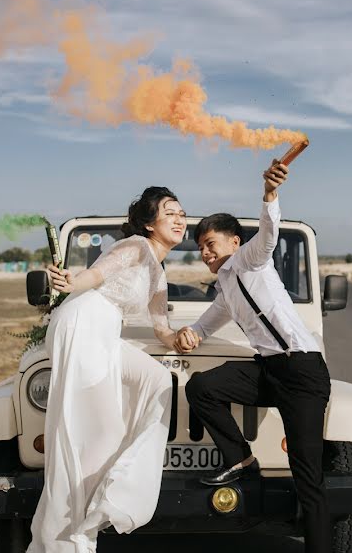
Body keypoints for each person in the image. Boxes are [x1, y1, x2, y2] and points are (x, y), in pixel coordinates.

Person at [177, 159, 333, 553]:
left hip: (302, 371)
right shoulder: (227, 287)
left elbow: (268, 234)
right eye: (200, 249)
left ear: (233, 242)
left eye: (210, 244)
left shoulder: (251, 259)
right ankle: (241, 459)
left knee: (307, 476)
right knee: (202, 387)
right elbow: (206, 323)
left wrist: (269, 194)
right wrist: (188, 334)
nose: (205, 254)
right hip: (269, 372)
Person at [28, 187, 186, 553]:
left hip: (105, 334)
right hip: (84, 322)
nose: (180, 219)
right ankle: (74, 537)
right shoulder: (134, 247)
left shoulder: (158, 274)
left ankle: (101, 507)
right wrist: (71, 282)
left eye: (182, 213)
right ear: (149, 224)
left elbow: (162, 330)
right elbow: (95, 276)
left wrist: (184, 338)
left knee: (159, 379)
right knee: (99, 436)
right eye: (170, 213)